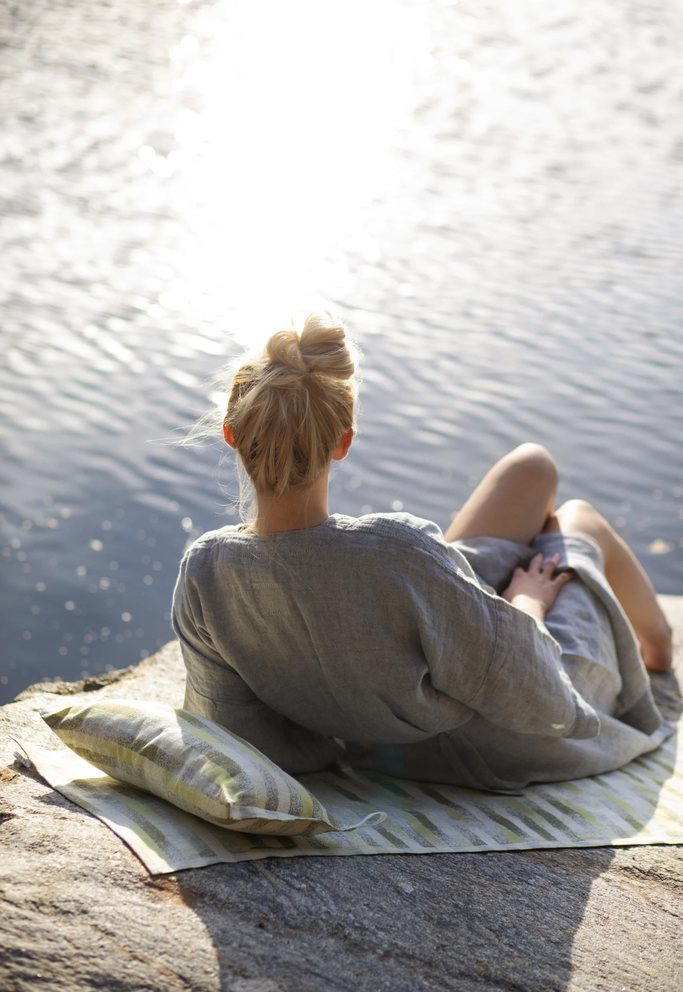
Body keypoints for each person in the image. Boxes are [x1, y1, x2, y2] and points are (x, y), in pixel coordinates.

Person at [172, 311, 672, 791]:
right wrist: (529, 601)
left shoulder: (205, 572)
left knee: (532, 467)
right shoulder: (397, 550)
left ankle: (626, 640)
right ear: (343, 442)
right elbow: (544, 701)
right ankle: (659, 656)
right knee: (574, 519)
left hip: (387, 739)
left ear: (230, 433)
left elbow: (234, 727)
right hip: (496, 740)